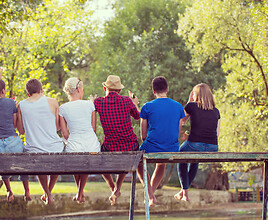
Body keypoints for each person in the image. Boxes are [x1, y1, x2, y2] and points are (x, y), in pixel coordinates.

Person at [0, 69, 30, 202]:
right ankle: (27, 191)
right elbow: (15, 125)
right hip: (12, 142)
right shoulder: (10, 103)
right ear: (3, 91)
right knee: (23, 160)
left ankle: (9, 191)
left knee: (3, 165)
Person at [92, 75, 140, 205]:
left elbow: (91, 110)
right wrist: (135, 104)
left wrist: (92, 101)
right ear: (119, 90)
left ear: (104, 88)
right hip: (130, 145)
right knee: (126, 154)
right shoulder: (126, 101)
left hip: (111, 146)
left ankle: (113, 188)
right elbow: (138, 116)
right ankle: (116, 189)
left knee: (99, 163)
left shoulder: (98, 103)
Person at [138, 76, 185, 207]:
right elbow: (178, 132)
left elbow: (143, 135)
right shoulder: (178, 106)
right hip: (172, 147)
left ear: (153, 90)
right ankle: (151, 196)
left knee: (138, 162)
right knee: (161, 164)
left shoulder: (147, 106)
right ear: (167, 89)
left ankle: (150, 195)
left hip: (152, 145)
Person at [16, 79, 64, 205]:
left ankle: (48, 194)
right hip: (55, 147)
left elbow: (20, 130)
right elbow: (58, 127)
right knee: (57, 158)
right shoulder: (53, 102)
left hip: (35, 148)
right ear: (41, 90)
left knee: (39, 163)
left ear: (28, 93)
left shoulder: (21, 105)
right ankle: (48, 193)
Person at [174, 83, 221, 202]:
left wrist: (189, 102)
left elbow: (182, 121)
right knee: (194, 160)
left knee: (181, 157)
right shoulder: (216, 111)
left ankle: (185, 194)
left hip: (195, 144)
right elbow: (217, 133)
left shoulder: (192, 106)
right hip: (213, 147)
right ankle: (183, 191)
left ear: (196, 95)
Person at [59, 77, 100, 203]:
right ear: (78, 89)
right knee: (85, 157)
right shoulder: (90, 104)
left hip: (74, 146)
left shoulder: (63, 108)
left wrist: (73, 140)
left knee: (75, 156)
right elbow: (93, 129)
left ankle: (79, 192)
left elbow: (64, 133)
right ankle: (80, 192)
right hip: (92, 145)